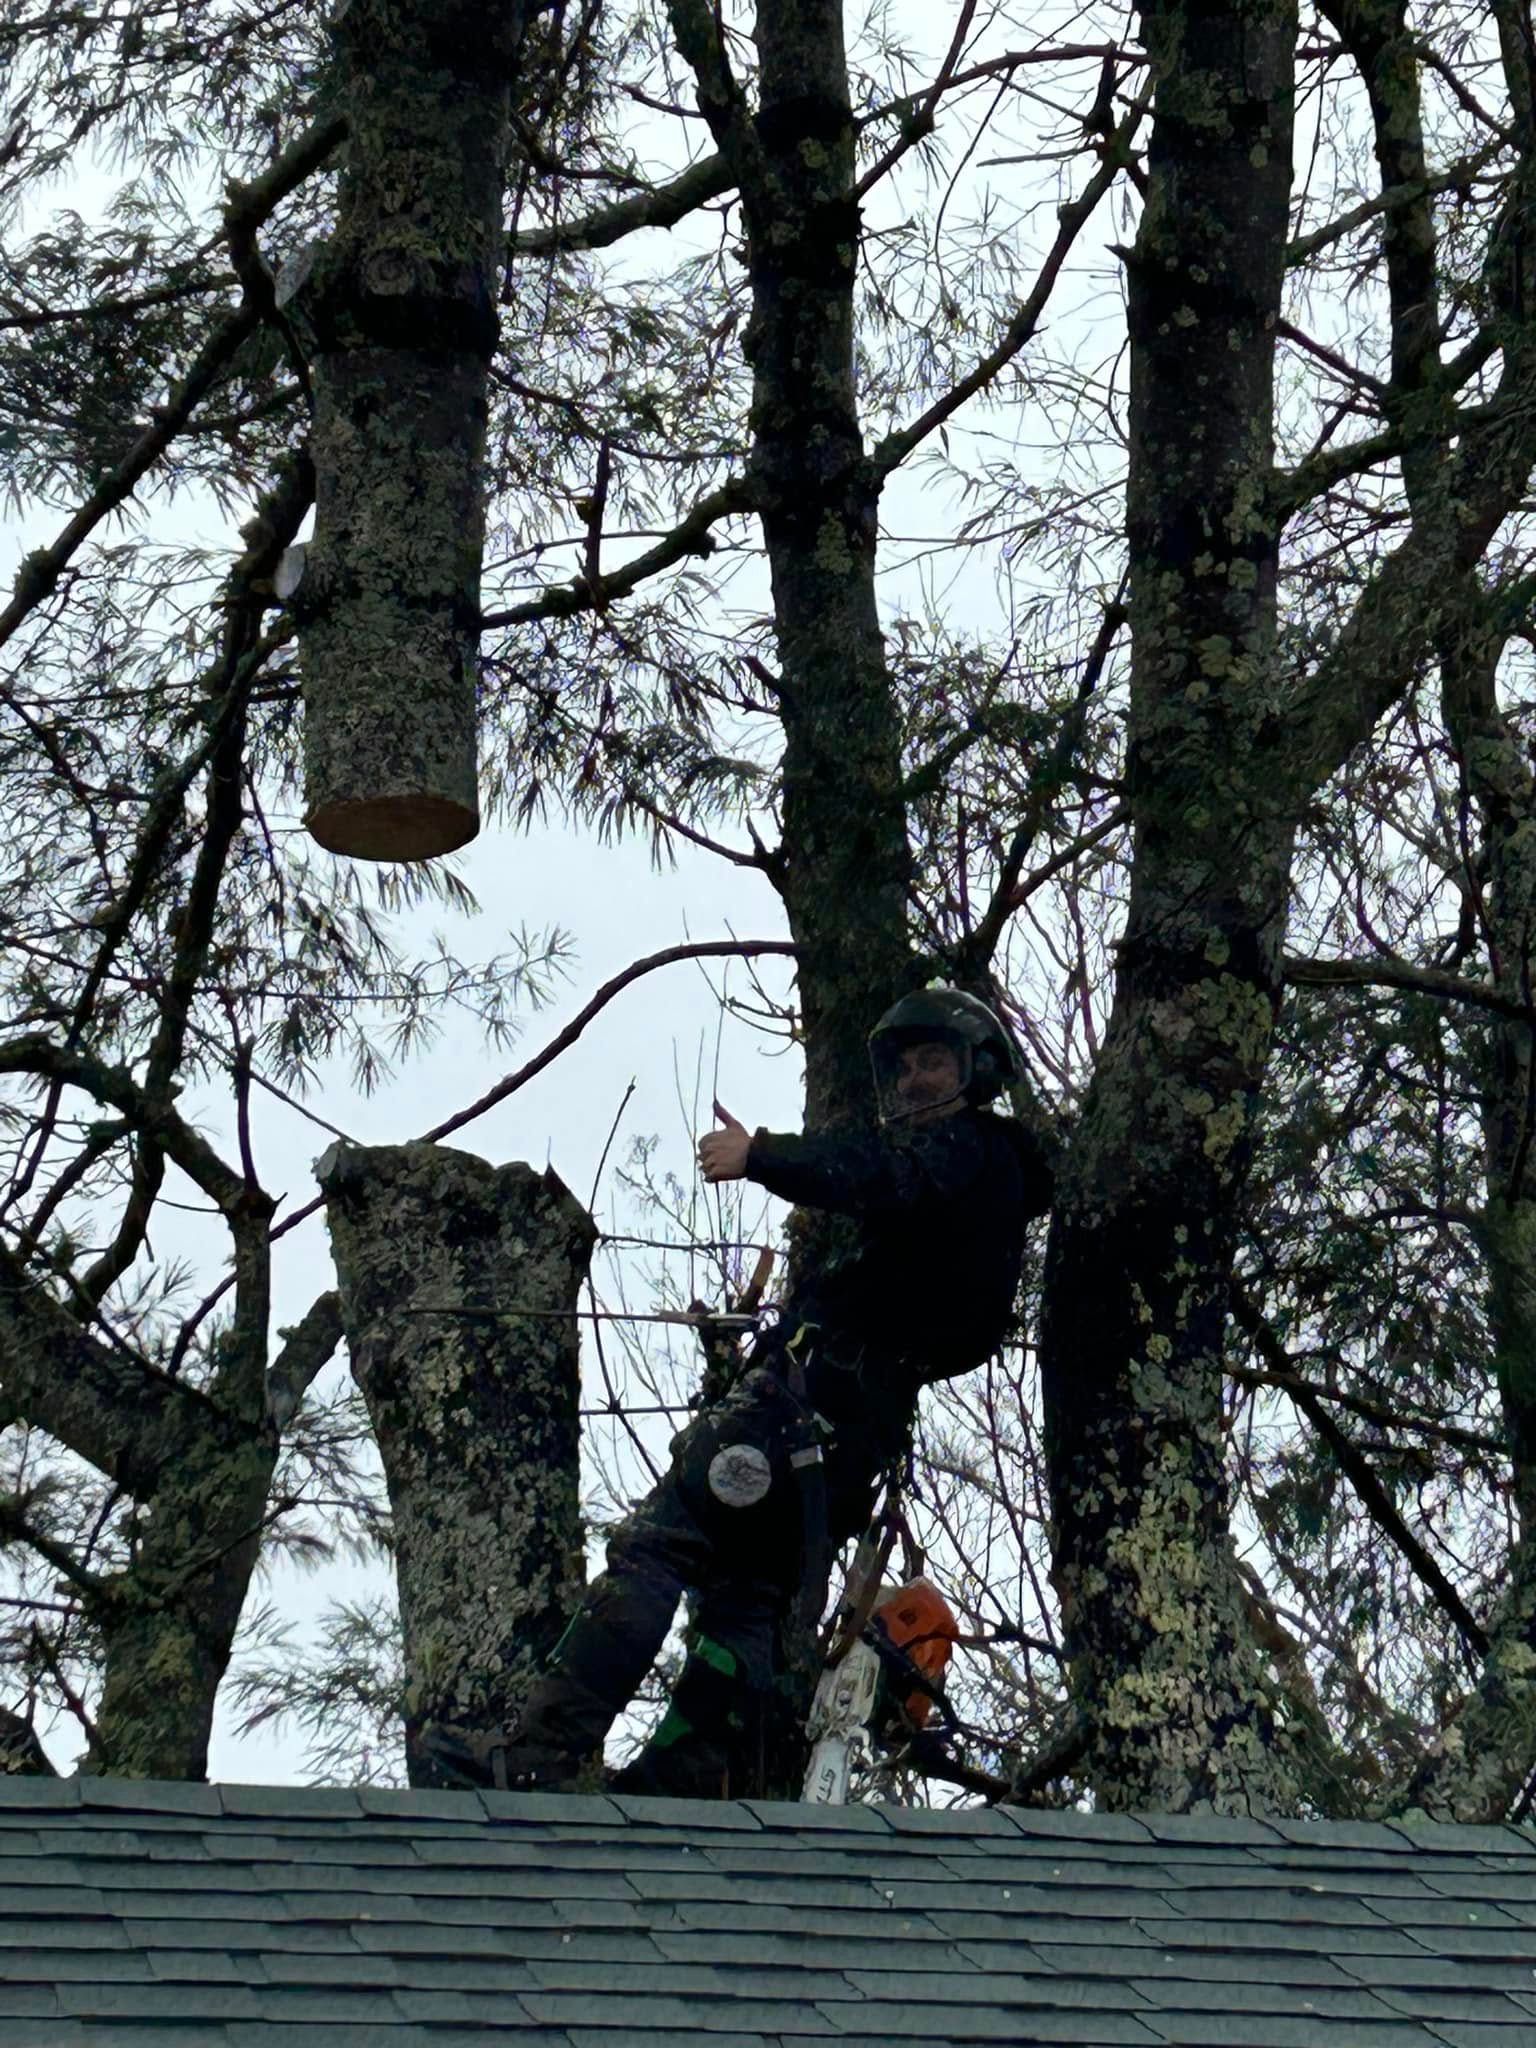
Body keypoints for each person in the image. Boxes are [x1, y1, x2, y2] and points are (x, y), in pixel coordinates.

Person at [424, 986, 1054, 1796]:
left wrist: (760, 1156)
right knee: (745, 1596)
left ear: (978, 1072)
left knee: (660, 1544)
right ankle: (690, 1774)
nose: (914, 1081)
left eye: (934, 1062)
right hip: (839, 1445)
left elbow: (874, 1173)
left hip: (801, 1420)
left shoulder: (967, 1152)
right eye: (905, 1067)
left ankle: (536, 1756)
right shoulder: (980, 1191)